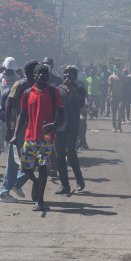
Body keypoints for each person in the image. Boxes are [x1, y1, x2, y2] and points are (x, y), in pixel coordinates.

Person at [13, 64, 63, 211]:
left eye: (44, 73)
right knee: (25, 167)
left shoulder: (54, 92)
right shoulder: (27, 93)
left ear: (47, 76)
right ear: (34, 75)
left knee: (42, 167)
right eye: (38, 73)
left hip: (46, 138)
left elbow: (61, 113)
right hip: (30, 137)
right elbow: (21, 116)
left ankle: (40, 201)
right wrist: (15, 134)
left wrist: (54, 124)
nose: (41, 76)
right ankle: (36, 182)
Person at [0, 59, 36, 203]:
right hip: (17, 130)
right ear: (32, 73)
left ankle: (17, 183)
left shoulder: (38, 86)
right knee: (14, 161)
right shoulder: (20, 85)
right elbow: (8, 105)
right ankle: (4, 192)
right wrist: (8, 128)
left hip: (32, 130)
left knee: (35, 161)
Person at [55, 66, 87, 194]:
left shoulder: (79, 89)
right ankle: (65, 185)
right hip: (59, 126)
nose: (67, 75)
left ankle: (79, 180)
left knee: (70, 152)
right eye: (65, 73)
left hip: (72, 126)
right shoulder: (57, 90)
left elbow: (80, 103)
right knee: (60, 156)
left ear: (75, 76)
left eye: (70, 73)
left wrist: (72, 90)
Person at [108, 66, 125, 132]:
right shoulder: (111, 76)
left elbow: (126, 86)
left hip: (121, 96)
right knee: (113, 112)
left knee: (120, 111)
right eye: (117, 66)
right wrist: (108, 95)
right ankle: (114, 127)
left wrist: (126, 96)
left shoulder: (124, 76)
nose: (118, 68)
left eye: (119, 66)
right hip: (113, 96)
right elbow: (109, 87)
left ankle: (119, 127)